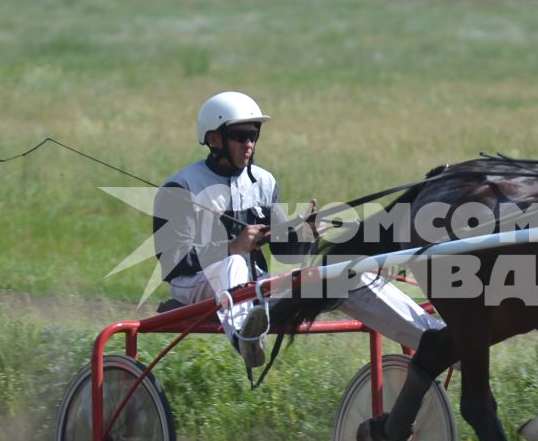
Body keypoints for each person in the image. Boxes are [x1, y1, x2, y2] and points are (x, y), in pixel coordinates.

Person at [156, 91, 443, 368]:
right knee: (233, 264)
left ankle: (436, 340)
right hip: (194, 287)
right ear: (214, 139)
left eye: (254, 135)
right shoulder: (181, 187)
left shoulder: (264, 182)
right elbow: (171, 261)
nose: (249, 144)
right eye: (240, 136)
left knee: (347, 275)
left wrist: (305, 236)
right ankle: (245, 338)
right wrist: (233, 247)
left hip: (255, 288)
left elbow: (286, 252)